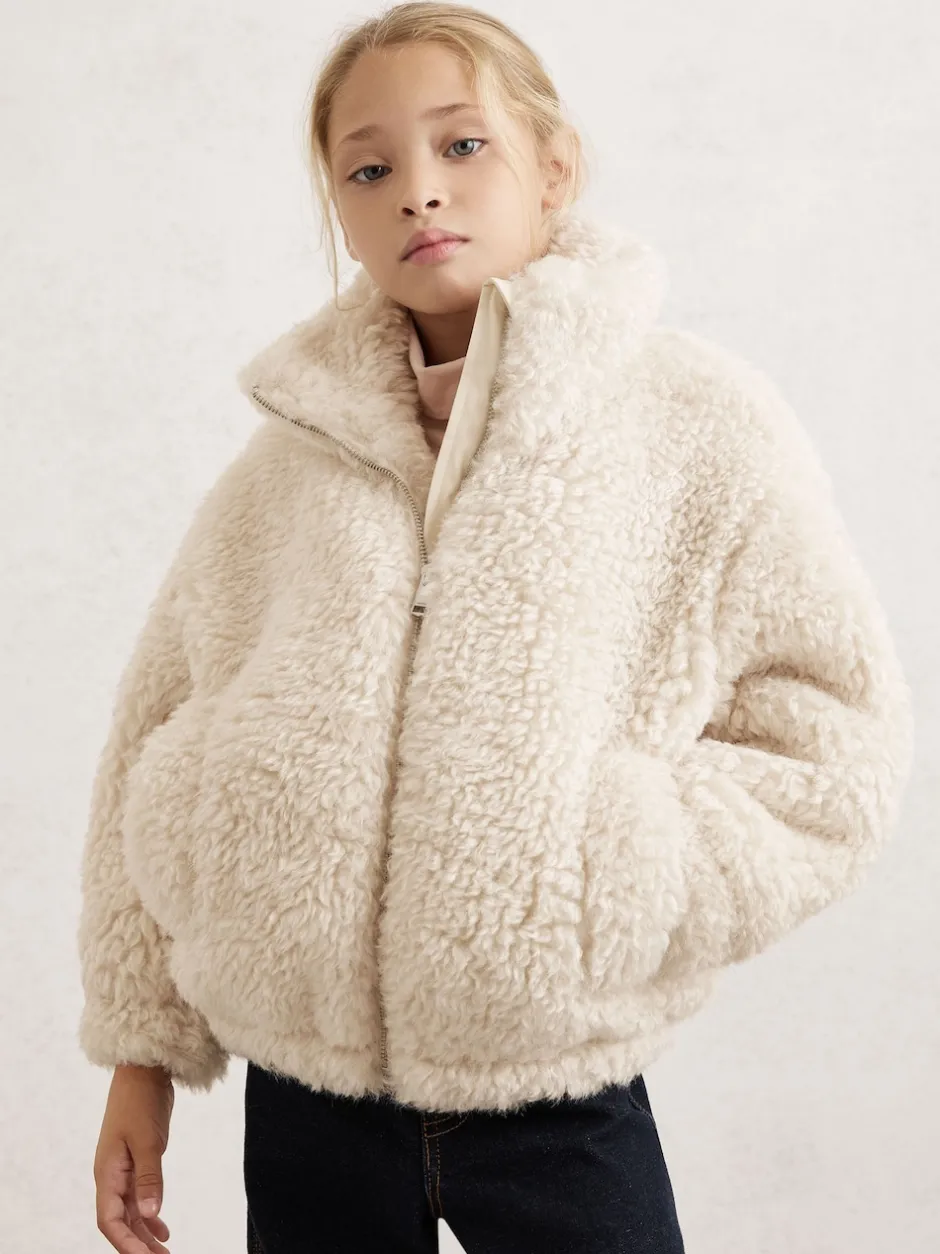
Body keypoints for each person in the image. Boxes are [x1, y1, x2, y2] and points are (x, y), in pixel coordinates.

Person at [78, 4, 915, 1253]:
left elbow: (833, 737)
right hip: (303, 1101)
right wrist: (141, 1054)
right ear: (339, 211)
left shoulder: (694, 425)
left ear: (553, 169)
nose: (418, 190)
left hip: (554, 1097)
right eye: (369, 170)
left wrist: (618, 873)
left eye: (461, 145)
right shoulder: (286, 467)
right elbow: (154, 733)